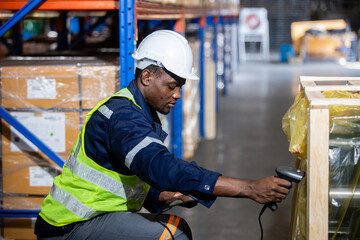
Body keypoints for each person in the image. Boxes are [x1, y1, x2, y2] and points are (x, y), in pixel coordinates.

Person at [34, 30, 291, 240]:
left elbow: (117, 181)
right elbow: (160, 167)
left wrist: (162, 197)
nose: (177, 94)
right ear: (146, 76)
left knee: (178, 228)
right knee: (173, 236)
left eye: (180, 87)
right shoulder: (123, 117)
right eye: (172, 86)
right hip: (69, 226)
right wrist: (249, 188)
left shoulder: (143, 114)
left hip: (97, 215)